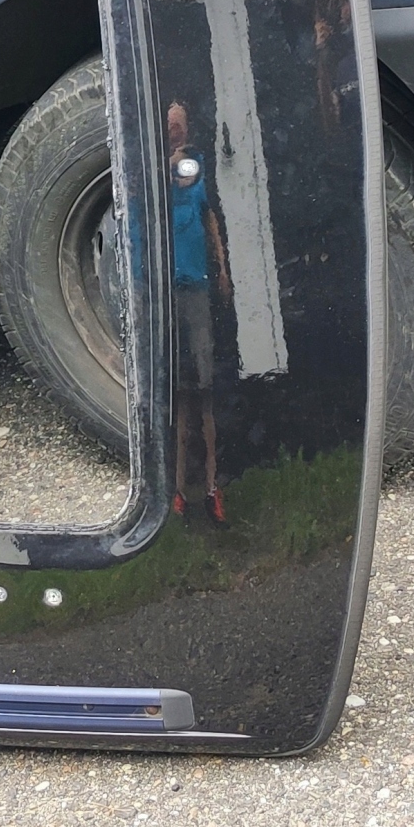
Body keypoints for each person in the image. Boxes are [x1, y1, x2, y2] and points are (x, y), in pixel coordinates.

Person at [165, 101, 230, 523]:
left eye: (180, 124)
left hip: (196, 285)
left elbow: (210, 219)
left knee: (204, 390)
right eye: (169, 124)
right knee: (176, 395)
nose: (175, 130)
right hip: (163, 288)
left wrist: (222, 268)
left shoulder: (197, 167)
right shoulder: (152, 171)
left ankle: (211, 488)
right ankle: (175, 491)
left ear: (188, 128)